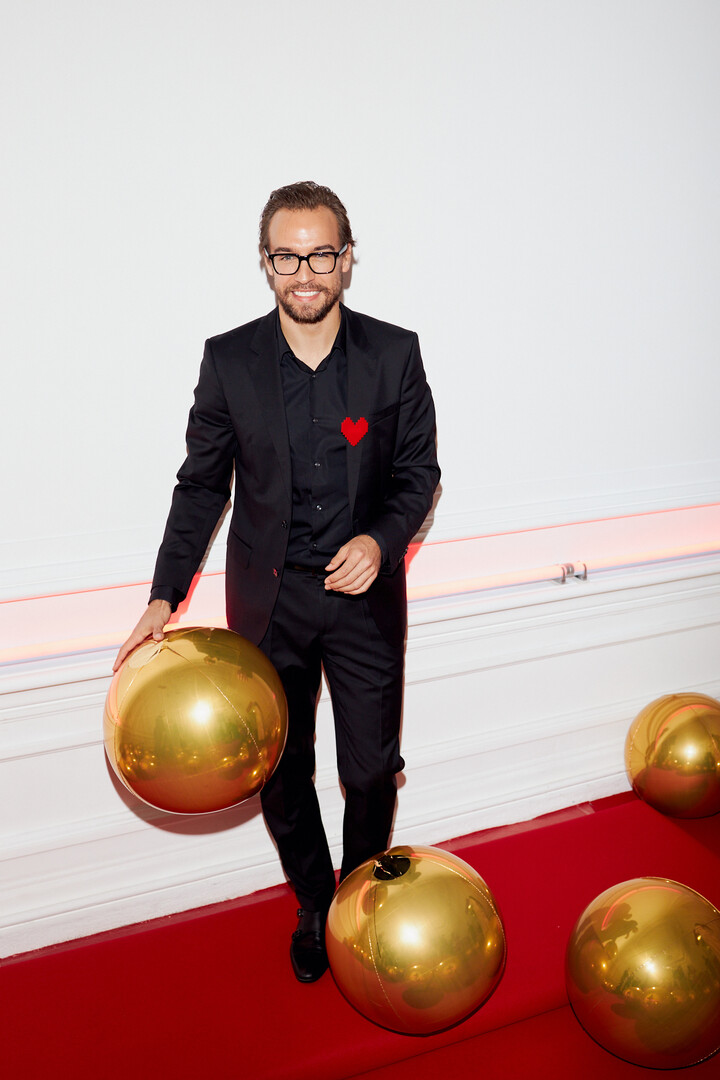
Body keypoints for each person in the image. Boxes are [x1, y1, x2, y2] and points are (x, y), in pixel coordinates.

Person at [114, 181, 440, 982]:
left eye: (321, 254)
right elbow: (201, 487)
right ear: (265, 263)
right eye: (288, 257)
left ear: (347, 259)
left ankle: (361, 898)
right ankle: (315, 903)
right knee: (281, 771)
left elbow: (418, 475)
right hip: (270, 605)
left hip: (363, 604)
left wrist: (381, 541)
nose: (305, 273)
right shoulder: (228, 361)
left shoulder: (395, 353)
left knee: (370, 771)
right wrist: (162, 598)